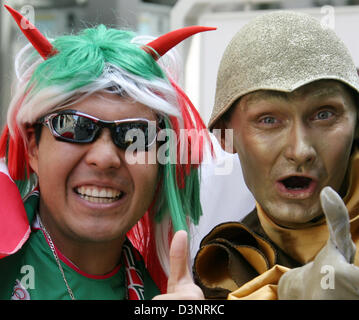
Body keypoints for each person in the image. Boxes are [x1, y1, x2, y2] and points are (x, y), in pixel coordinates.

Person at [0, 5, 214, 300]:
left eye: (135, 135)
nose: (104, 158)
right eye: (74, 126)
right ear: (33, 146)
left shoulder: (166, 293)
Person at [193, 10, 359, 299]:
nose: (300, 151)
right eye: (268, 120)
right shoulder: (223, 266)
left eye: (324, 115)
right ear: (225, 135)